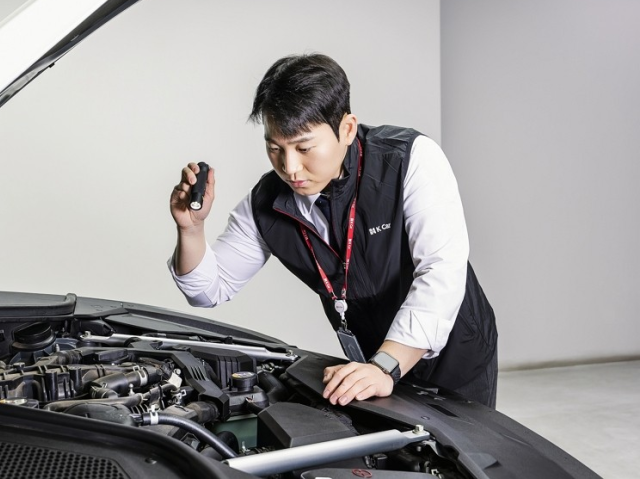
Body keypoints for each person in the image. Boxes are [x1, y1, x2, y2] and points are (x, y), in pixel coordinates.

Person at [168, 53, 497, 408]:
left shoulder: (409, 159)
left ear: (347, 129)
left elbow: (441, 272)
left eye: (304, 147)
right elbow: (208, 291)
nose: (290, 168)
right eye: (275, 148)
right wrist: (191, 230)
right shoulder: (266, 202)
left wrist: (386, 365)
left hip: (454, 354)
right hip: (369, 362)